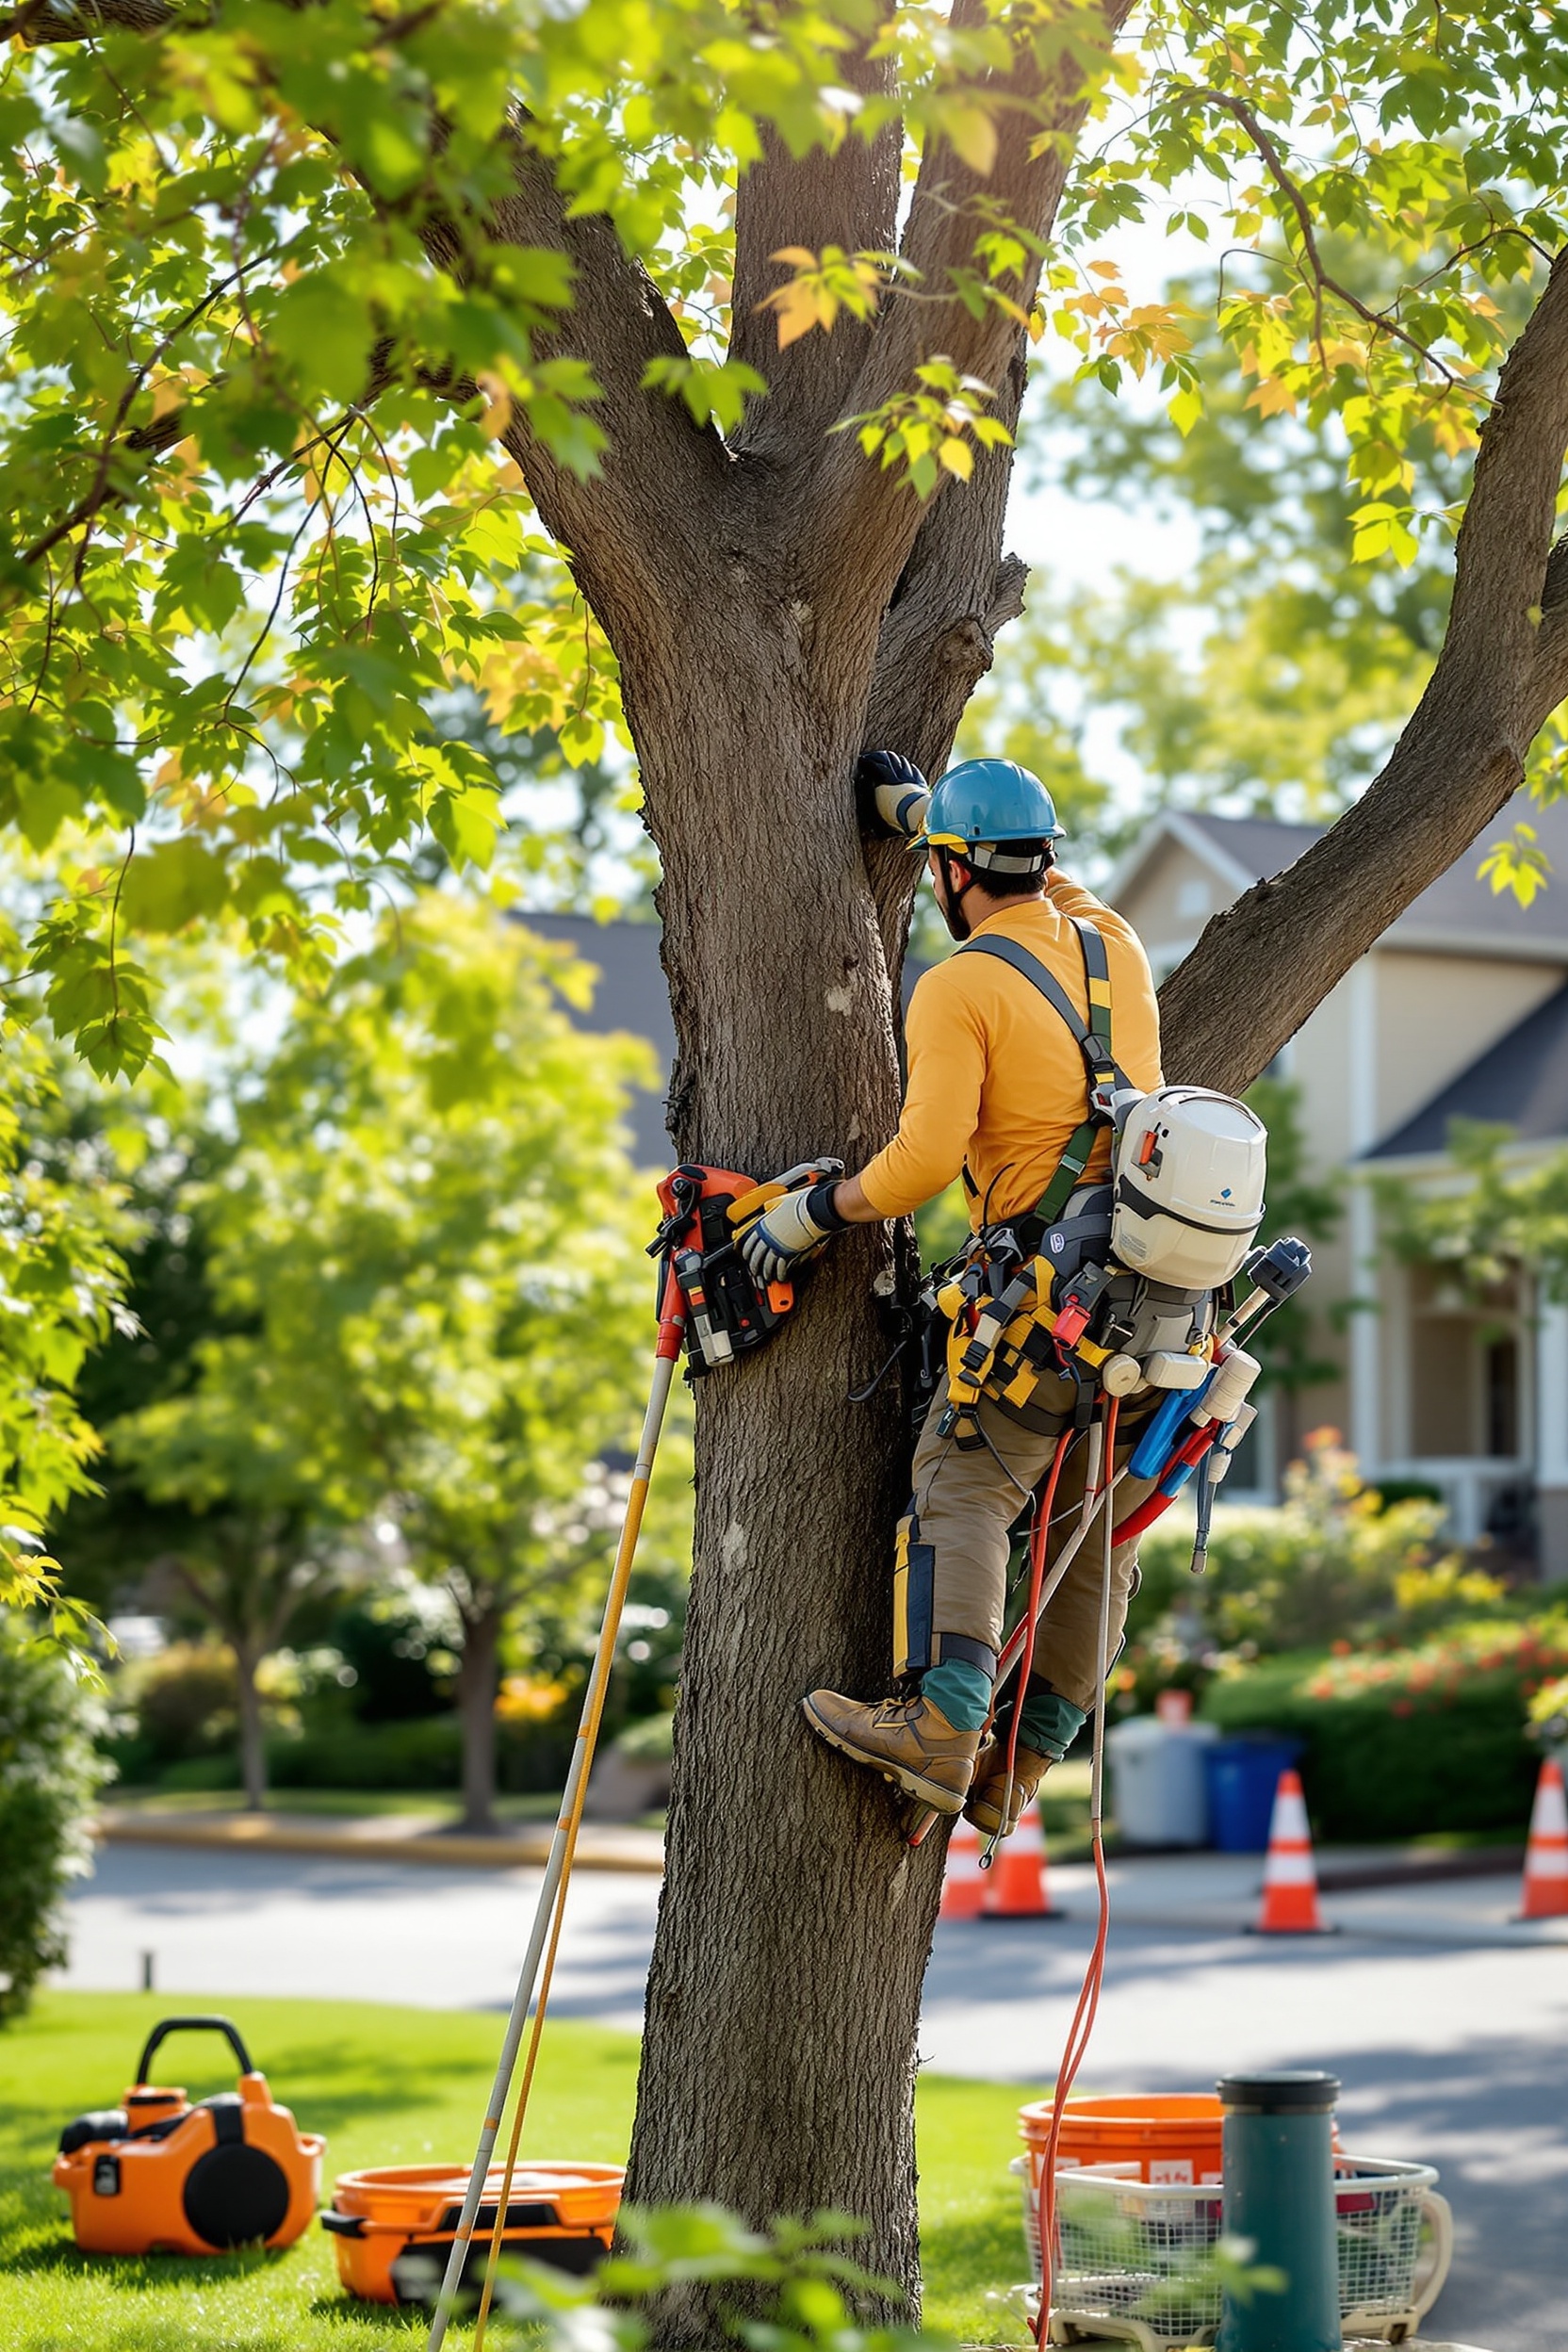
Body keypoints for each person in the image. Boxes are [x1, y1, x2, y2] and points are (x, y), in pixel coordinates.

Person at [740, 754, 1164, 1830]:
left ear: (946, 876)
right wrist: (935, 817)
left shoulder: (961, 982)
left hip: (1045, 1297)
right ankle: (1015, 1767)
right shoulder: (1114, 948)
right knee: (1093, 1524)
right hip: (1156, 1307)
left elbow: (925, 1159)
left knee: (966, 1483)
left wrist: (818, 1213)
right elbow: (1045, 888)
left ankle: (942, 1725)